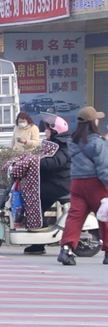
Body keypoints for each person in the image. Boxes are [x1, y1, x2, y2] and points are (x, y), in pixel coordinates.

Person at [57, 107, 108, 266]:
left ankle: (66, 249)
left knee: (74, 217)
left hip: (77, 184)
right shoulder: (98, 142)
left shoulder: (73, 141)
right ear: (93, 122)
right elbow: (103, 167)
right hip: (96, 183)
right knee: (104, 216)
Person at [23, 116, 71, 255]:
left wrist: (36, 162)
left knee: (35, 197)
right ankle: (38, 240)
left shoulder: (63, 145)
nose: (46, 131)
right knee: (35, 199)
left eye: (49, 129)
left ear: (56, 130)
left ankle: (39, 242)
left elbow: (55, 162)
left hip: (61, 184)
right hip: (55, 181)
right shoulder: (54, 144)